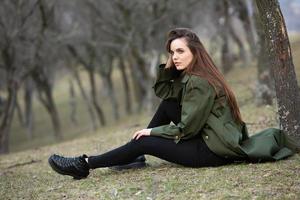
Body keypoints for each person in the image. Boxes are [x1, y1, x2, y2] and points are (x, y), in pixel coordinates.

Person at [48, 28, 300, 180]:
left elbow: (186, 129)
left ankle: (84, 164)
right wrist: (170, 66)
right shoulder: (197, 75)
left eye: (180, 51)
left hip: (211, 152)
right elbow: (165, 91)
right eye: (171, 52)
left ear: (195, 52)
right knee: (168, 104)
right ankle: (135, 156)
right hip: (209, 138)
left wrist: (151, 132)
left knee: (144, 140)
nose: (174, 56)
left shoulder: (198, 82)